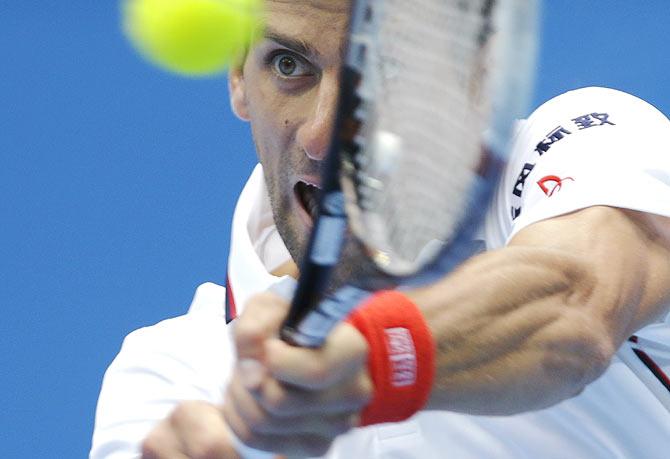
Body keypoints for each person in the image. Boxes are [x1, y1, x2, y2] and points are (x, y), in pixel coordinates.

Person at [91, 1, 670, 458]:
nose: (323, 135)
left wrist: (366, 360)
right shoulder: (171, 374)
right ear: (239, 75)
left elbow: (573, 304)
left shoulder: (587, 145)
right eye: (289, 65)